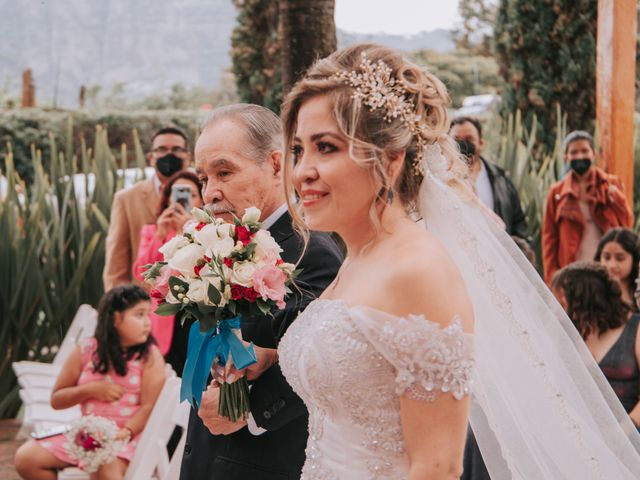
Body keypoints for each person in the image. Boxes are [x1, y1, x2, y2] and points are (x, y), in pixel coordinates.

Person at [276, 43, 640, 479]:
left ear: (390, 160)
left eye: (326, 147)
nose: (302, 171)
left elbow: (437, 466)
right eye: (299, 150)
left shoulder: (418, 270)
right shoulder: (358, 259)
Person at [179, 104, 343, 480]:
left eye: (224, 172)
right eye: (204, 178)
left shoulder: (309, 252)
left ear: (274, 164)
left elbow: (322, 360)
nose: (210, 192)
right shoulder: (218, 243)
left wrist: (249, 411)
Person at [14, 285, 166, 480]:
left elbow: (149, 406)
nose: (147, 323)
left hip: (125, 439)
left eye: (148, 315)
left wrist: (125, 432)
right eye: (139, 315)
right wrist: (90, 390)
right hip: (86, 437)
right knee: (26, 459)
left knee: (104, 467)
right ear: (115, 318)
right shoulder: (86, 349)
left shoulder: (149, 356)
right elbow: (57, 399)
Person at [103, 127, 191, 291]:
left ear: (187, 157)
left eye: (177, 149)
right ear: (151, 158)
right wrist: (118, 307)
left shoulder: (204, 193)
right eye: (162, 149)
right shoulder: (126, 199)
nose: (169, 155)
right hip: (148, 300)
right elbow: (116, 262)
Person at [554, 262, 640, 427]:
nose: (559, 310)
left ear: (583, 300)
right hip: (582, 430)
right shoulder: (569, 335)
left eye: (563, 303)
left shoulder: (635, 328)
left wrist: (625, 430)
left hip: (631, 429)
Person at [542, 130, 633, 284]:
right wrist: (553, 276)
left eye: (584, 151)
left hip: (607, 270)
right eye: (574, 152)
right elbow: (549, 238)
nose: (579, 156)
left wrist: (616, 198)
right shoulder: (557, 193)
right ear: (566, 157)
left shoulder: (611, 184)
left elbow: (626, 223)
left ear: (593, 154)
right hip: (573, 271)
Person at [131, 170, 204, 358]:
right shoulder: (152, 230)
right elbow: (142, 275)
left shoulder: (206, 231)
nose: (183, 199)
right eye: (178, 192)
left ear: (202, 201)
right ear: (168, 197)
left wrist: (186, 231)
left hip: (197, 313)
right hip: (165, 317)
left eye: (192, 194)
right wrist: (160, 236)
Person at [449, 116, 530, 244]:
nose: (463, 144)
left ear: (481, 143)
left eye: (469, 139)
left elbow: (518, 223)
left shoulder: (501, 179)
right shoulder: (443, 181)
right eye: (457, 139)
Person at [595, 228, 640, 312]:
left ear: (634, 259)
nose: (611, 265)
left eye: (620, 258)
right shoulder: (591, 290)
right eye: (606, 257)